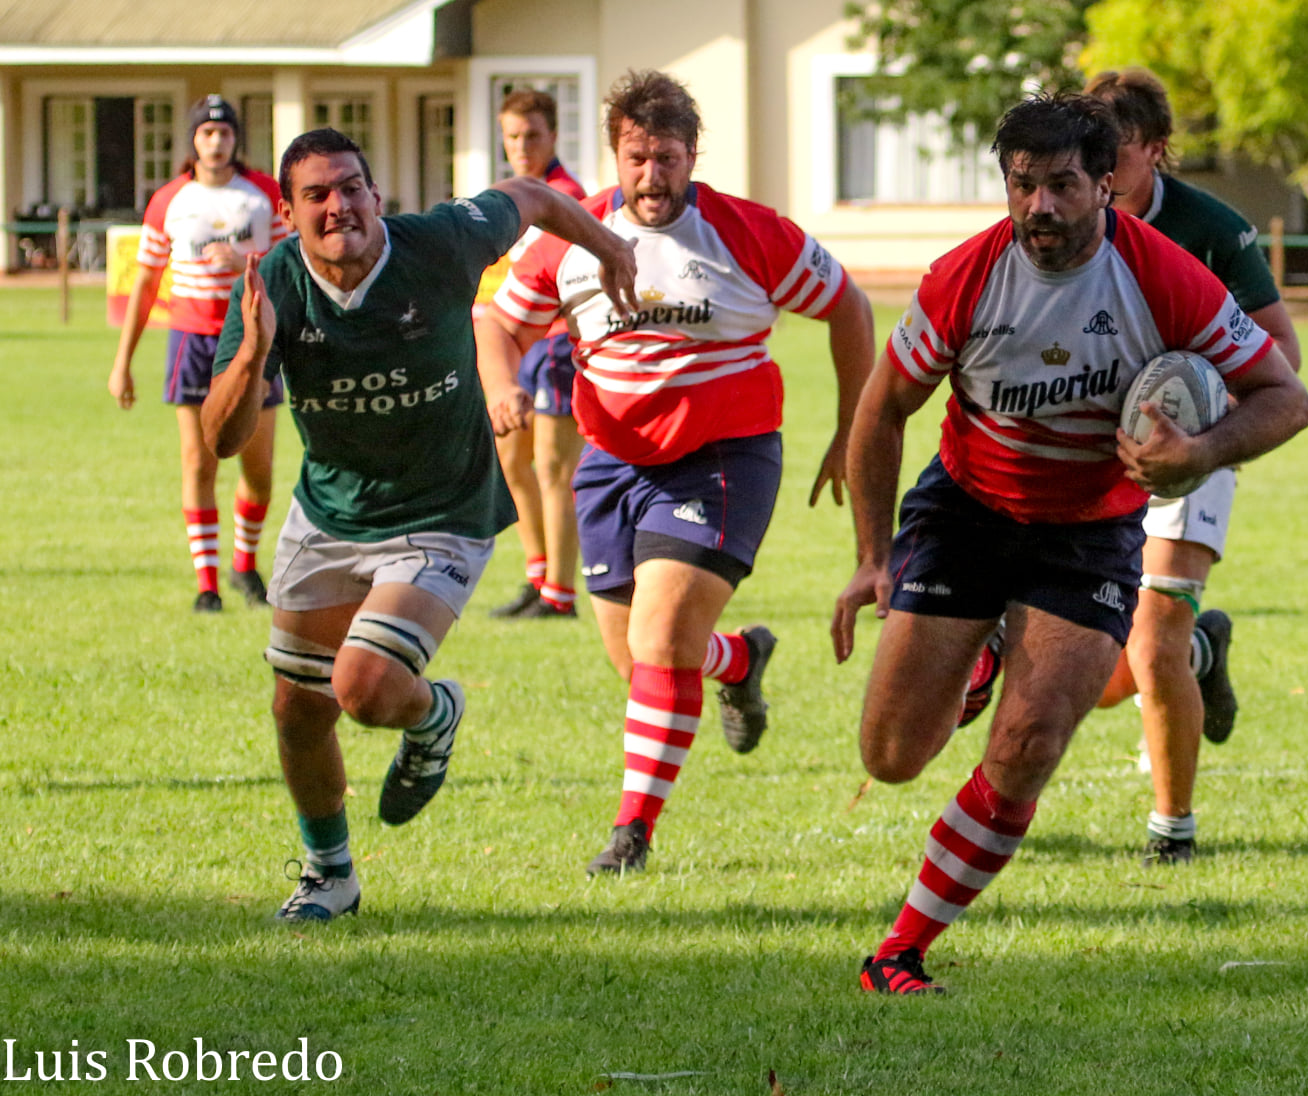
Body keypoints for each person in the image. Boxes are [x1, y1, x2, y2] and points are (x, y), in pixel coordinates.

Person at [832, 93, 1308, 993]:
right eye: (1022, 186)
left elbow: (1286, 397)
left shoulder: (1163, 278)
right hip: (967, 511)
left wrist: (1197, 453)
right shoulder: (963, 279)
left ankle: (898, 950)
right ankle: (984, 650)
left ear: (1104, 186)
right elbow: (883, 408)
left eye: (1060, 186)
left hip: (1088, 530)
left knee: (1027, 744)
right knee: (889, 757)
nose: (1038, 208)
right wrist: (870, 557)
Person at [202, 128, 638, 922]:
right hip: (332, 510)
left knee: (363, 687)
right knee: (298, 709)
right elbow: (221, 439)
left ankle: (433, 714)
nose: (340, 207)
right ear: (287, 212)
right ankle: (329, 875)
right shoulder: (272, 287)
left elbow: (534, 195)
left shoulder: (440, 241)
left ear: (376, 194)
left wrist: (609, 247)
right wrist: (250, 357)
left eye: (352, 187)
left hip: (442, 509)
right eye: (318, 195)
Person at [480, 69, 874, 876]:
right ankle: (739, 659)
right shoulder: (571, 235)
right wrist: (500, 384)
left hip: (721, 459)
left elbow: (847, 306)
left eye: (666, 157)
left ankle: (630, 835)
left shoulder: (749, 233)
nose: (650, 176)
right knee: (639, 662)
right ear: (614, 156)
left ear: (692, 156)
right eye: (636, 157)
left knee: (660, 646)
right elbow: (497, 321)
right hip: (611, 464)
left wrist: (848, 427)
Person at [1080, 66, 1304, 866]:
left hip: (1192, 451)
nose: (1099, 165)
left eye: (1117, 148)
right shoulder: (1064, 223)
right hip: (1090, 455)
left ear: (1156, 150)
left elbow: (1284, 351)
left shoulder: (1212, 228)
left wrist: (1200, 416)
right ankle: (1202, 655)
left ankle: (1171, 832)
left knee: (1150, 642)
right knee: (1099, 672)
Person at [108, 95, 288, 612]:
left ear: (236, 139)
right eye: (206, 133)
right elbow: (145, 284)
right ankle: (206, 584)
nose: (216, 141)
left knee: (258, 469)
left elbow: (288, 261)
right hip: (191, 339)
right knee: (199, 462)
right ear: (193, 140)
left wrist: (245, 261)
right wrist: (122, 362)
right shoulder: (169, 200)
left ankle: (243, 565)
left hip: (251, 337)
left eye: (225, 132)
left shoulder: (262, 195)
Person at [483, 88, 591, 620]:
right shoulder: (505, 195)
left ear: (553, 137)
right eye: (512, 136)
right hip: (513, 344)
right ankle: (537, 574)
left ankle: (561, 595)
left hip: (556, 345)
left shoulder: (566, 196)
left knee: (554, 467)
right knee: (511, 462)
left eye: (532, 135)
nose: (522, 145)